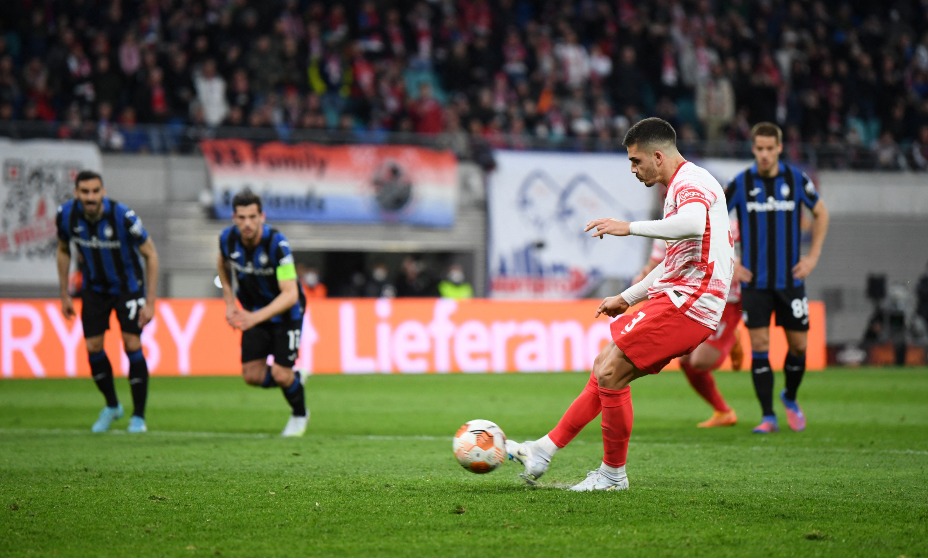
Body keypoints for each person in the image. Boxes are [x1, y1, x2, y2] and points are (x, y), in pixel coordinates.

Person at [507, 117, 734, 491]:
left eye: (635, 161)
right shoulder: (681, 185)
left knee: (612, 373)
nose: (632, 169)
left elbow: (693, 224)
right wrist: (627, 298)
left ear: (657, 156)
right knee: (605, 365)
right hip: (679, 297)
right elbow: (673, 263)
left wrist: (628, 227)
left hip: (690, 303)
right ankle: (542, 450)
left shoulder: (691, 183)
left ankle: (613, 475)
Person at [725, 122, 830, 434]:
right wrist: (731, 263)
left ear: (780, 148)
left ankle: (790, 397)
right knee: (760, 346)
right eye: (760, 149)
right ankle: (768, 416)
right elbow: (713, 220)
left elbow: (821, 213)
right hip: (754, 282)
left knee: (799, 346)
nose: (765, 154)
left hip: (790, 281)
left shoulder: (796, 179)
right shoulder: (741, 183)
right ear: (753, 149)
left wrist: (813, 257)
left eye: (770, 149)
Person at [55, 170, 160, 433]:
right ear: (76, 193)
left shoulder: (123, 216)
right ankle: (112, 405)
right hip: (94, 289)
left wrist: (150, 301)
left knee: (132, 343)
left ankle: (138, 417)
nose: (90, 197)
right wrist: (64, 293)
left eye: (95, 191)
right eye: (85, 192)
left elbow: (151, 254)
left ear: (103, 191)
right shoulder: (66, 216)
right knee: (93, 347)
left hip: (128, 287)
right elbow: (63, 250)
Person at [216, 189, 309, 437]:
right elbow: (222, 266)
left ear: (262, 217)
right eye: (242, 217)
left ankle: (299, 414)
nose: (247, 223)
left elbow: (290, 294)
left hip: (286, 314)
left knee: (280, 373)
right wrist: (229, 303)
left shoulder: (277, 245)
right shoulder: (227, 240)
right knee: (252, 376)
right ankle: (294, 379)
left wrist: (253, 318)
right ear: (234, 218)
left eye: (252, 217)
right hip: (254, 311)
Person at [635, 229, 744, 428]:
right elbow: (654, 264)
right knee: (686, 361)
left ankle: (732, 337)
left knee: (701, 361)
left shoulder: (722, 222)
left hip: (725, 299)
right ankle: (723, 411)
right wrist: (638, 283)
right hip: (693, 297)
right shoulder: (666, 229)